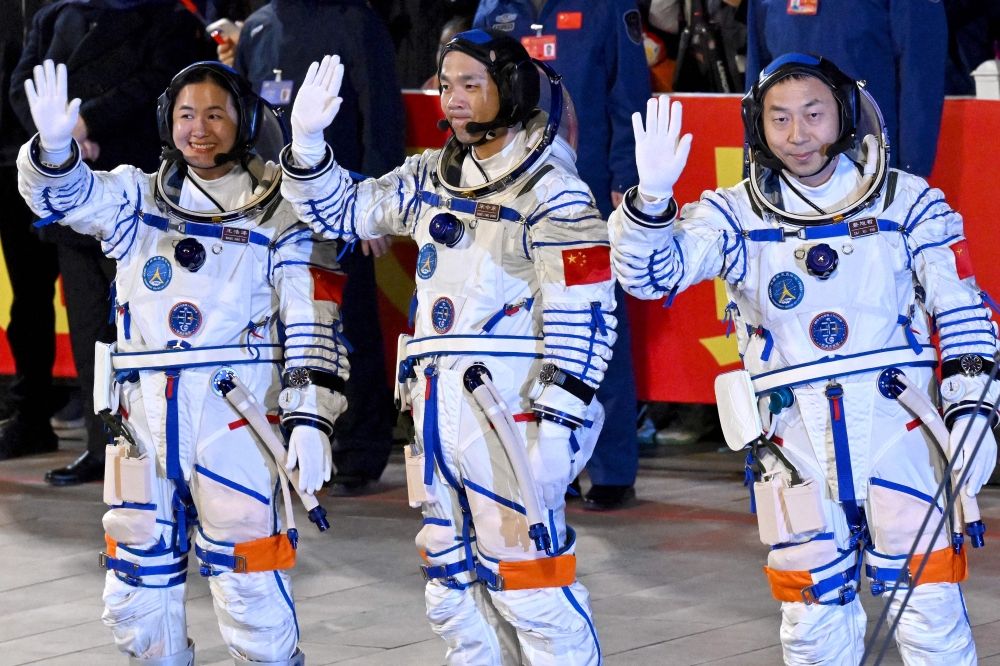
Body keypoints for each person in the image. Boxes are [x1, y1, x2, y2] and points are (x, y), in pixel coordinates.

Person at [609, 53, 998, 664]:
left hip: (898, 424)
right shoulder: (734, 213)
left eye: (813, 115)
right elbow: (652, 277)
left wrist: (973, 412)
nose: (798, 135)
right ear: (757, 127)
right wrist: (652, 202)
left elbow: (963, 309)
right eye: (780, 119)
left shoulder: (908, 203)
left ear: (843, 114)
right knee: (812, 618)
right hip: (793, 440)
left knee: (930, 608)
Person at [280, 30, 614, 664]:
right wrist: (308, 147)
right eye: (447, 84)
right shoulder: (432, 175)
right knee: (451, 585)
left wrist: (558, 427)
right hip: (437, 414)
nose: (454, 99)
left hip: (511, 412)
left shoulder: (552, 191)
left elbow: (586, 315)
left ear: (511, 90)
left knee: (530, 584)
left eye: (470, 85)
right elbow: (346, 212)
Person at [18, 60, 349, 665]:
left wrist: (310, 417)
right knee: (136, 587)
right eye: (186, 115)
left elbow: (312, 322)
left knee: (249, 581)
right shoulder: (134, 198)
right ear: (167, 123)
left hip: (234, 416)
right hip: (143, 417)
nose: (200, 129)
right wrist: (55, 150)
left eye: (216, 114)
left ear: (244, 120)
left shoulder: (280, 211)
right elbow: (66, 197)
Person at [8, 0, 207, 484]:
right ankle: (104, 448)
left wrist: (88, 124)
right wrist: (58, 141)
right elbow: (22, 86)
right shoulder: (53, 16)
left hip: (141, 198)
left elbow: (159, 86)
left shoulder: (172, 20)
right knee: (90, 329)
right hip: (74, 198)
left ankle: (161, 448)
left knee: (146, 330)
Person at [223, 0, 406, 495]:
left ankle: (360, 448)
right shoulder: (258, 26)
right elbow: (243, 120)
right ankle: (298, 438)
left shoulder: (357, 19)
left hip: (339, 205)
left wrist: (375, 204)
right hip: (268, 209)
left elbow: (382, 110)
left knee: (349, 328)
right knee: (277, 329)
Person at [473, 0, 650, 511]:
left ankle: (612, 466)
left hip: (585, 196)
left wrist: (626, 177)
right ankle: (545, 458)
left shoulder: (606, 8)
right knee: (522, 321)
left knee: (592, 321)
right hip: (512, 197)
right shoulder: (492, 9)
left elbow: (628, 96)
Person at [747, 0, 947, 177]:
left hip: (866, 159)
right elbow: (757, 82)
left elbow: (920, 72)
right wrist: (754, 167)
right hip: (786, 166)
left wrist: (912, 169)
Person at [0, 0, 61, 460]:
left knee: (102, 300)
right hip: (8, 169)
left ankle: (117, 423)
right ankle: (31, 415)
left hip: (76, 163)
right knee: (29, 300)